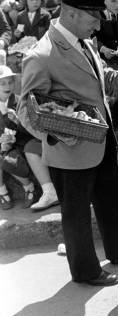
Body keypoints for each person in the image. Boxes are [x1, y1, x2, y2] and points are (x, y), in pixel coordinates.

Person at [17, 0, 118, 286]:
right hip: (70, 149)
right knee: (76, 214)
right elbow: (28, 112)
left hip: (101, 136)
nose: (99, 22)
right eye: (94, 16)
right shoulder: (41, 55)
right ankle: (85, 271)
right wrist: (60, 135)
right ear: (71, 13)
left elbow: (101, 80)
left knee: (112, 196)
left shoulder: (84, 41)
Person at [0, 65, 58, 211]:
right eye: (2, 83)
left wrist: (17, 123)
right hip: (7, 145)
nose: (7, 86)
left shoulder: (20, 101)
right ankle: (2, 192)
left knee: (20, 152)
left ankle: (29, 187)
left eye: (10, 81)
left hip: (24, 142)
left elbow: (33, 129)